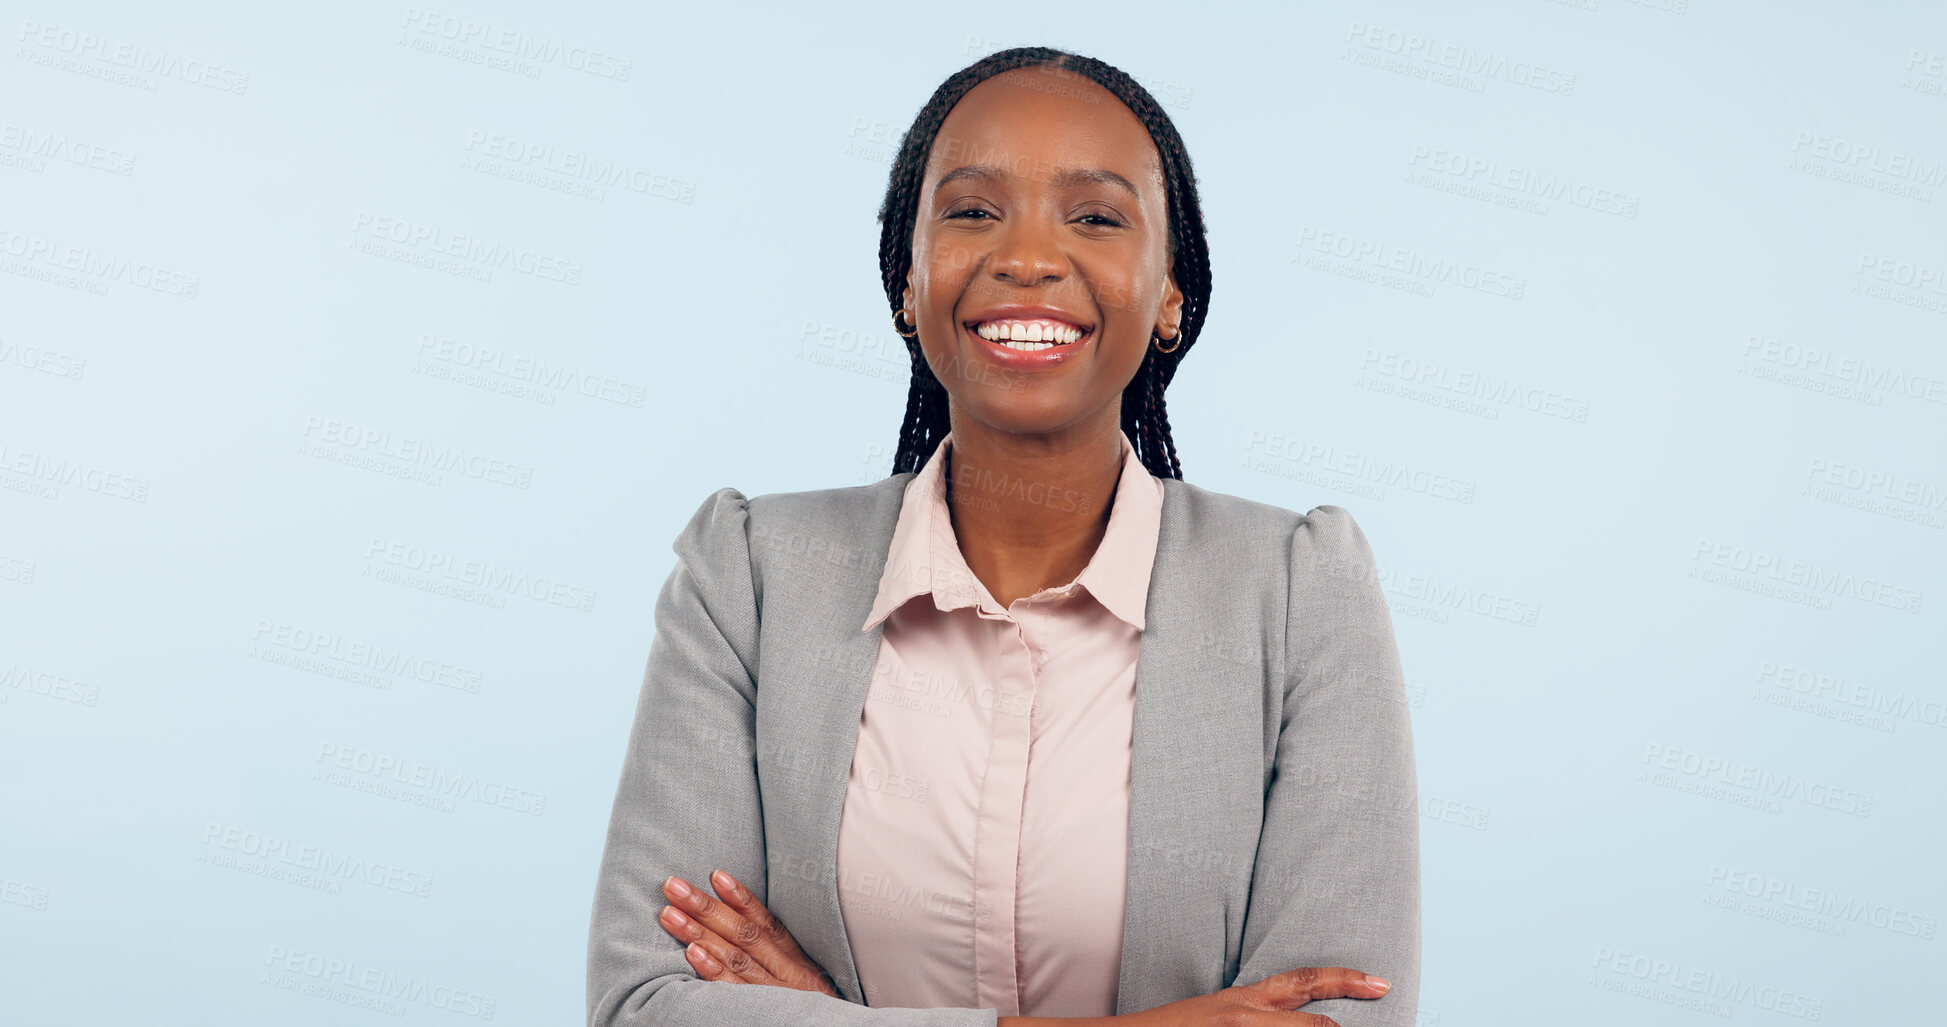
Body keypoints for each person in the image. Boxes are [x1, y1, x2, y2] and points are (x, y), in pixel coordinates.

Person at [587, 46, 1420, 1027]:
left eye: (1098, 216)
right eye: (973, 210)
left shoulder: (1298, 592)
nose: (1027, 256)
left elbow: (1336, 1019)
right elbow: (644, 1007)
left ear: (1169, 297)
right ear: (908, 282)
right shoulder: (750, 579)